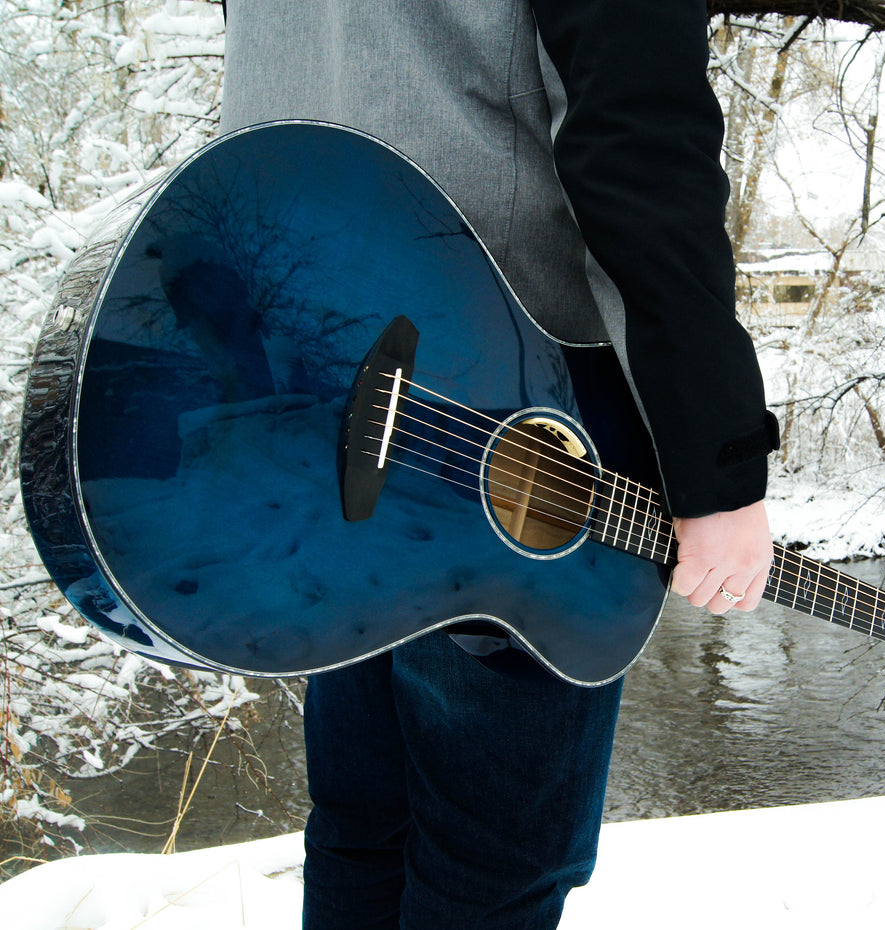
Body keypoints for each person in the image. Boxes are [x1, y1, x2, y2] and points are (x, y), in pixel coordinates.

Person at [219, 2, 777, 927]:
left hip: (319, 401)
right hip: (509, 413)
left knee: (364, 827)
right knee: (492, 867)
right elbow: (636, 137)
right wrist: (715, 460)